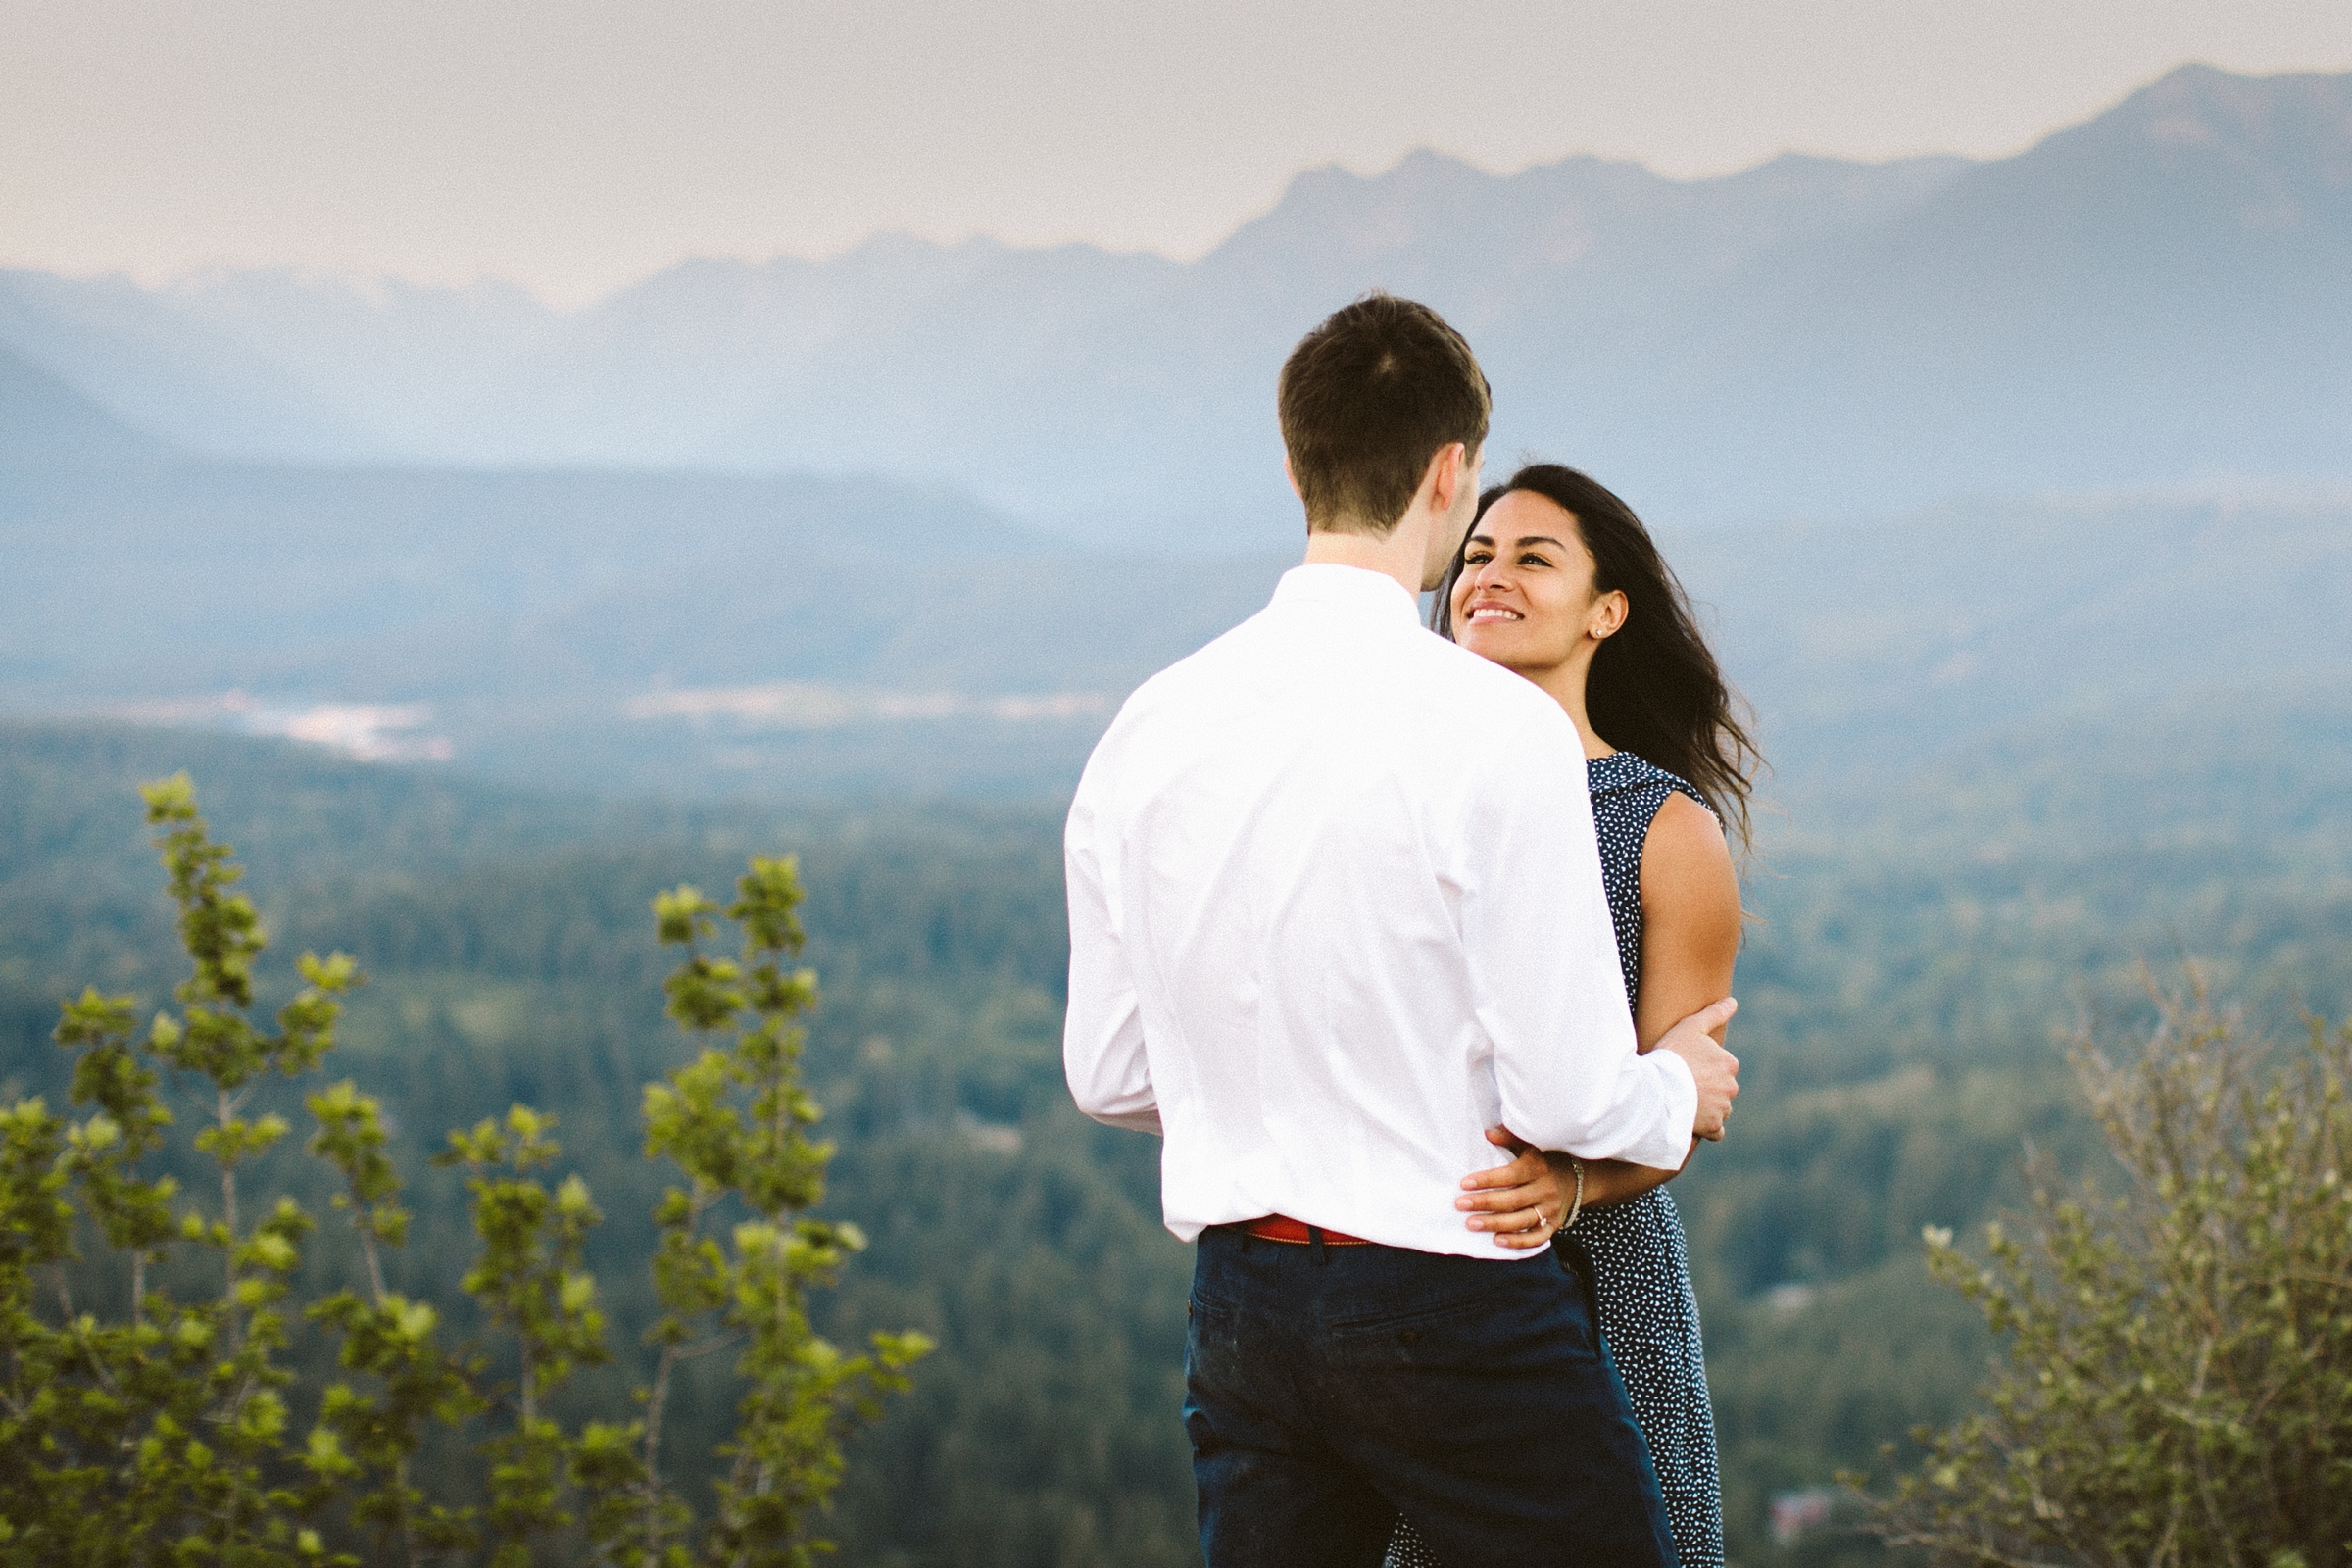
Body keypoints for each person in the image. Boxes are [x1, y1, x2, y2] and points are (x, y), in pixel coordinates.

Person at [1061, 294, 1740, 1568]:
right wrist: (1678, 1088)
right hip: (1451, 1293)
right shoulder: (1493, 731)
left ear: (1292, 462)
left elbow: (1108, 1073)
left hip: (1243, 1313)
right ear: (1450, 471)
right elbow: (1570, 1094)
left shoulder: (1152, 722)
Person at [1386, 465, 1758, 1568]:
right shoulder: (1397, 792)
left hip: (1595, 1287)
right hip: (1405, 1280)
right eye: (1477, 555)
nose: (1488, 576)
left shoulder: (1663, 829)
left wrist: (1572, 1183)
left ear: (1608, 611)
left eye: (1533, 558)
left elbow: (1680, 1104)